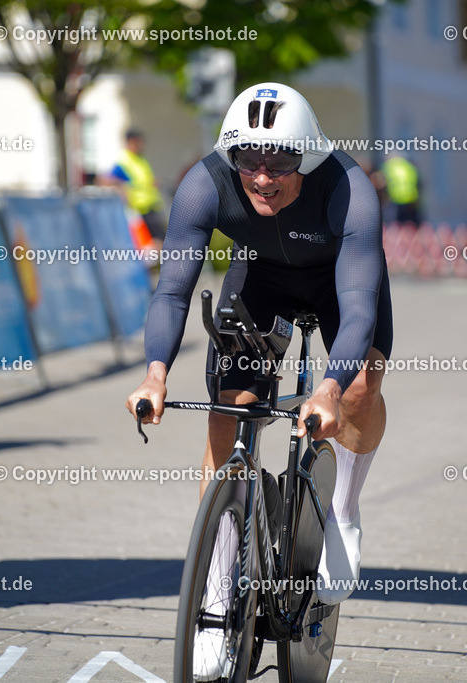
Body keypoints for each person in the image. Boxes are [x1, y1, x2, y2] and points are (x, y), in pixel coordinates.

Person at [125, 83, 393, 679]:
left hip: (338, 286)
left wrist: (327, 386)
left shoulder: (349, 190)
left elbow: (358, 310)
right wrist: (155, 375)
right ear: (231, 157)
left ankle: (343, 509)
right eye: (249, 161)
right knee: (231, 408)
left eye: (281, 164)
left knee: (356, 388)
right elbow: (172, 289)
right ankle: (217, 588)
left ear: (311, 159)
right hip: (260, 282)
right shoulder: (205, 182)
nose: (264, 178)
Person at [105, 129, 167, 248]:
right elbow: (106, 179)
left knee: (159, 241)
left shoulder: (140, 159)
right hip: (138, 209)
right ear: (130, 142)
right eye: (138, 142)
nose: (141, 145)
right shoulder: (124, 160)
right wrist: (123, 186)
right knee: (147, 245)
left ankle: (155, 265)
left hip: (151, 206)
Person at [382, 153, 422, 225]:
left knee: (393, 223)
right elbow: (418, 182)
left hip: (395, 199)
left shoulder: (388, 166)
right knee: (412, 223)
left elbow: (383, 182)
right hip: (411, 199)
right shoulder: (408, 166)